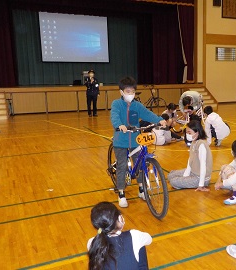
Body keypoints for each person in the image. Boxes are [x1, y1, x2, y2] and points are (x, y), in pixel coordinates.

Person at [110, 76, 166, 208]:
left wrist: (159, 120)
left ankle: (142, 189)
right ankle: (121, 194)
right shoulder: (116, 104)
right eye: (128, 91)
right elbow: (114, 115)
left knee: (141, 164)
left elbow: (147, 114)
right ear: (121, 92)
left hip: (136, 140)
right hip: (121, 140)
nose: (131, 94)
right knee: (122, 166)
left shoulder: (137, 105)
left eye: (133, 91)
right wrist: (119, 125)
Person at [87, 202, 152, 270]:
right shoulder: (134, 235)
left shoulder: (92, 242)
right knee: (140, 245)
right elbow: (149, 239)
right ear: (120, 218)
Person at [168, 120, 213, 191]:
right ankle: (185, 180)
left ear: (197, 132)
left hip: (200, 178)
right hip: (193, 172)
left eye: (189, 133)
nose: (187, 135)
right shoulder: (193, 142)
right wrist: (186, 175)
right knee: (170, 175)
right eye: (186, 132)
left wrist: (201, 185)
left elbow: (203, 165)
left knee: (173, 182)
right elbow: (190, 159)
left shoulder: (201, 145)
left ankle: (198, 183)